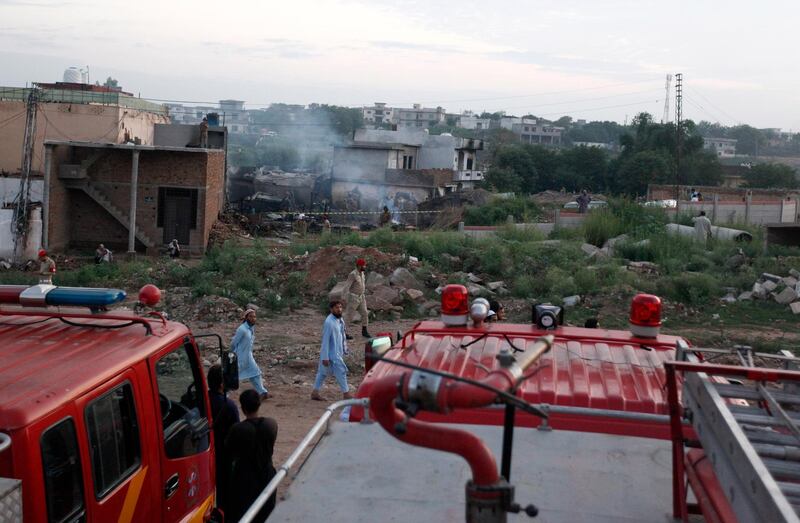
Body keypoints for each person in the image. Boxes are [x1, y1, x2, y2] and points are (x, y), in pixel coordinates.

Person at [223, 390, 278, 522]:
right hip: (267, 474)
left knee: (243, 515)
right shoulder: (271, 424)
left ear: (242, 408)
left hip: (245, 479)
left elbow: (229, 450)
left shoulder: (238, 429)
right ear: (259, 405)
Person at [207, 364, 239, 511]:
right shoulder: (229, 406)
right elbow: (236, 433)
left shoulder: (202, 399)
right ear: (221, 384)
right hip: (224, 455)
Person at [311, 301, 353, 401]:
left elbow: (342, 335)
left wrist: (344, 349)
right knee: (341, 371)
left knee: (322, 373)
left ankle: (315, 393)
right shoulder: (329, 322)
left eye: (340, 307)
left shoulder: (339, 319)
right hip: (332, 354)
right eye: (336, 308)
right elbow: (325, 341)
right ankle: (346, 393)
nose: (339, 309)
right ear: (331, 309)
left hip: (337, 352)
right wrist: (325, 357)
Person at [231, 309, 270, 401]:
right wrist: (232, 353)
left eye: (254, 316)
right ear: (246, 318)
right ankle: (223, 394)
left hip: (248, 356)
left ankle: (263, 392)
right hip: (240, 357)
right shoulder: (242, 329)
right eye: (251, 317)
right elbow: (233, 343)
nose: (253, 318)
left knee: (255, 373)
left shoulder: (251, 329)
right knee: (233, 376)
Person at [343, 258, 371, 339]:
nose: (365, 267)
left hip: (361, 297)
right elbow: (347, 286)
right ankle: (343, 332)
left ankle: (364, 331)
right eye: (363, 265)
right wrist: (343, 297)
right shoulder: (353, 274)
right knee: (349, 316)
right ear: (359, 266)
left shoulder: (362, 274)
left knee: (365, 313)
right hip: (353, 298)